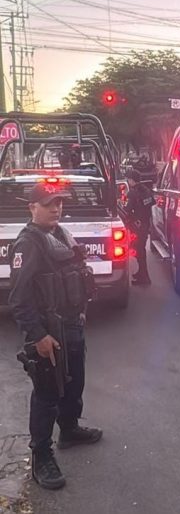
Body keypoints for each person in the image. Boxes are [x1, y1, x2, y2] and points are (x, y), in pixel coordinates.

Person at [8, 182, 102, 491]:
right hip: (48, 333)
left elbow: (74, 276)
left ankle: (70, 430)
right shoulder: (28, 244)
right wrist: (38, 336)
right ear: (32, 207)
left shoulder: (60, 234)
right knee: (47, 395)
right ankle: (41, 456)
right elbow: (19, 299)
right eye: (48, 203)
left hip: (71, 326)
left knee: (74, 383)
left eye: (59, 202)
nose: (56, 208)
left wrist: (81, 311)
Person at [125, 168, 154, 285]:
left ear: (132, 180)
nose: (128, 181)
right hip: (145, 224)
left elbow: (127, 209)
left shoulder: (133, 193)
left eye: (128, 179)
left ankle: (144, 278)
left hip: (138, 225)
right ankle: (141, 273)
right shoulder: (146, 190)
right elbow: (151, 203)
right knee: (141, 250)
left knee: (139, 251)